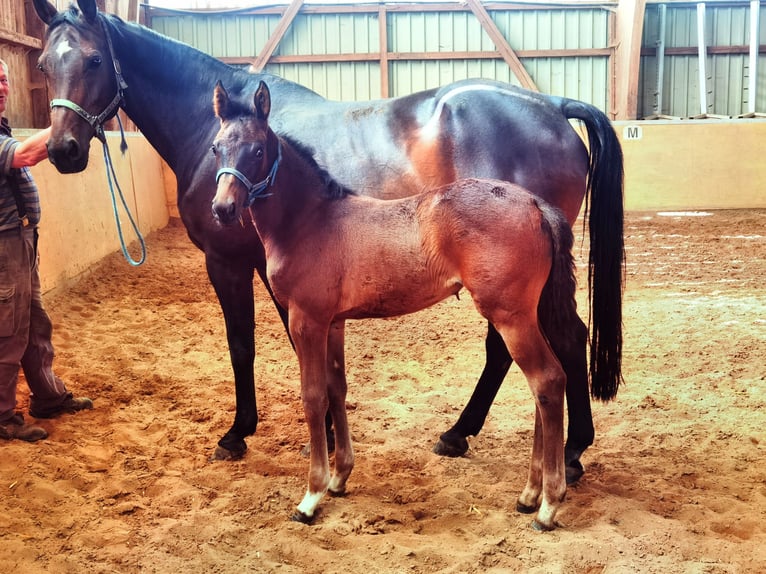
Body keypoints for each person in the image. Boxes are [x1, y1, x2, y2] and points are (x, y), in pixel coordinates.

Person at [0, 57, 92, 442]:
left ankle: (48, 396)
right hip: (4, 247)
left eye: (4, 79)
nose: (2, 86)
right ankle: (2, 416)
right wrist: (68, 120)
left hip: (21, 241)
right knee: (9, 331)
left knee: (35, 322)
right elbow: (23, 155)